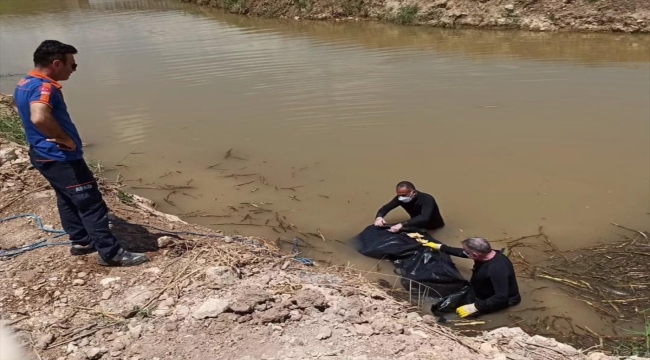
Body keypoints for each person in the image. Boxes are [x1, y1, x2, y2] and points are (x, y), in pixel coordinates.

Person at [11, 40, 149, 267]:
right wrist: (64, 139)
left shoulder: (25, 83)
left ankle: (82, 242)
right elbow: (38, 116)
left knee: (66, 198)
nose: (73, 70)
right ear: (56, 64)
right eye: (72, 65)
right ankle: (112, 254)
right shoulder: (44, 87)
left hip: (41, 154)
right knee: (90, 202)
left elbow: (19, 108)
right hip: (60, 157)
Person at [423, 237, 521, 318]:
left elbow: (501, 297)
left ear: (475, 254)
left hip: (502, 300)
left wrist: (475, 307)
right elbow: (462, 253)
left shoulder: (497, 269)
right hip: (483, 290)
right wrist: (441, 247)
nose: (464, 253)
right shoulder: (487, 254)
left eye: (466, 252)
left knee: (465, 316)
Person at [374, 181, 445, 233]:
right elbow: (386, 208)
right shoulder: (400, 199)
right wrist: (379, 217)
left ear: (413, 192)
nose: (401, 198)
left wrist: (401, 224)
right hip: (414, 224)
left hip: (433, 227)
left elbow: (424, 218)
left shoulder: (427, 199)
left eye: (404, 195)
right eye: (399, 195)